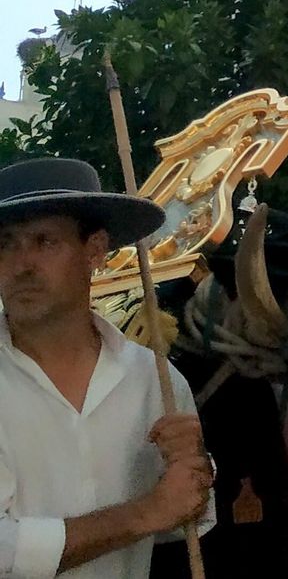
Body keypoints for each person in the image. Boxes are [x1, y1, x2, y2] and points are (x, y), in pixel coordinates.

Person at [0, 158, 214, 578]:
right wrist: (145, 512)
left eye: (45, 241)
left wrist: (194, 475)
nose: (22, 264)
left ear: (95, 250)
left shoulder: (155, 381)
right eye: (6, 243)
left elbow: (179, 524)